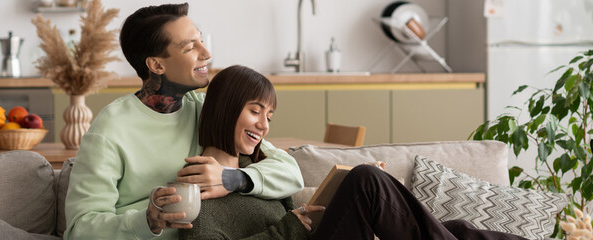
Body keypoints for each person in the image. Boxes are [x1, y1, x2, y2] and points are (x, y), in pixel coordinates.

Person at [177, 65, 528, 240]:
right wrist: (290, 229)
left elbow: (293, 195)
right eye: (255, 111)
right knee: (366, 179)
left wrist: (318, 209)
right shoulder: (195, 198)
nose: (264, 125)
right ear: (224, 108)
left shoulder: (261, 171)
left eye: (269, 116)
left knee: (457, 228)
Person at [63, 3, 304, 239]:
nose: (207, 53)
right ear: (157, 64)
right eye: (190, 47)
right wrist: (147, 221)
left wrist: (232, 178)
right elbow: (80, 229)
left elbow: (290, 172)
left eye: (201, 40)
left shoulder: (204, 109)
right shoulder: (110, 129)